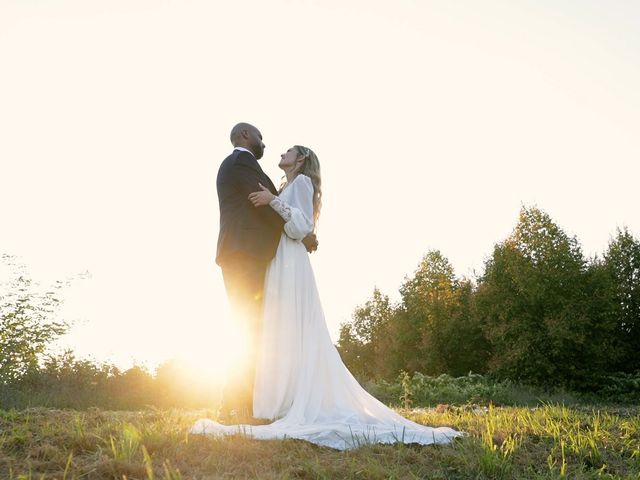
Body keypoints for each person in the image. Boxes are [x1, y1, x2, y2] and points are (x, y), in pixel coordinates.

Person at [192, 145, 465, 450]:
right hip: (279, 259)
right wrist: (274, 200)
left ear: (302, 158)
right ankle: (278, 400)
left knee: (290, 327)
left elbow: (300, 226)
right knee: (278, 330)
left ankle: (288, 402)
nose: (281, 153)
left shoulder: (303, 183)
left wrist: (272, 202)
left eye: (289, 151)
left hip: (291, 261)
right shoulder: (286, 185)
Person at [214, 123, 317, 418]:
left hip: (254, 256)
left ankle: (245, 403)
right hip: (243, 255)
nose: (266, 144)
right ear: (246, 135)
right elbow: (262, 206)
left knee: (254, 328)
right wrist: (305, 234)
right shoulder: (239, 163)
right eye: (261, 137)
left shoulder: (253, 168)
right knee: (247, 328)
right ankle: (234, 405)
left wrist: (302, 231)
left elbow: (273, 205)